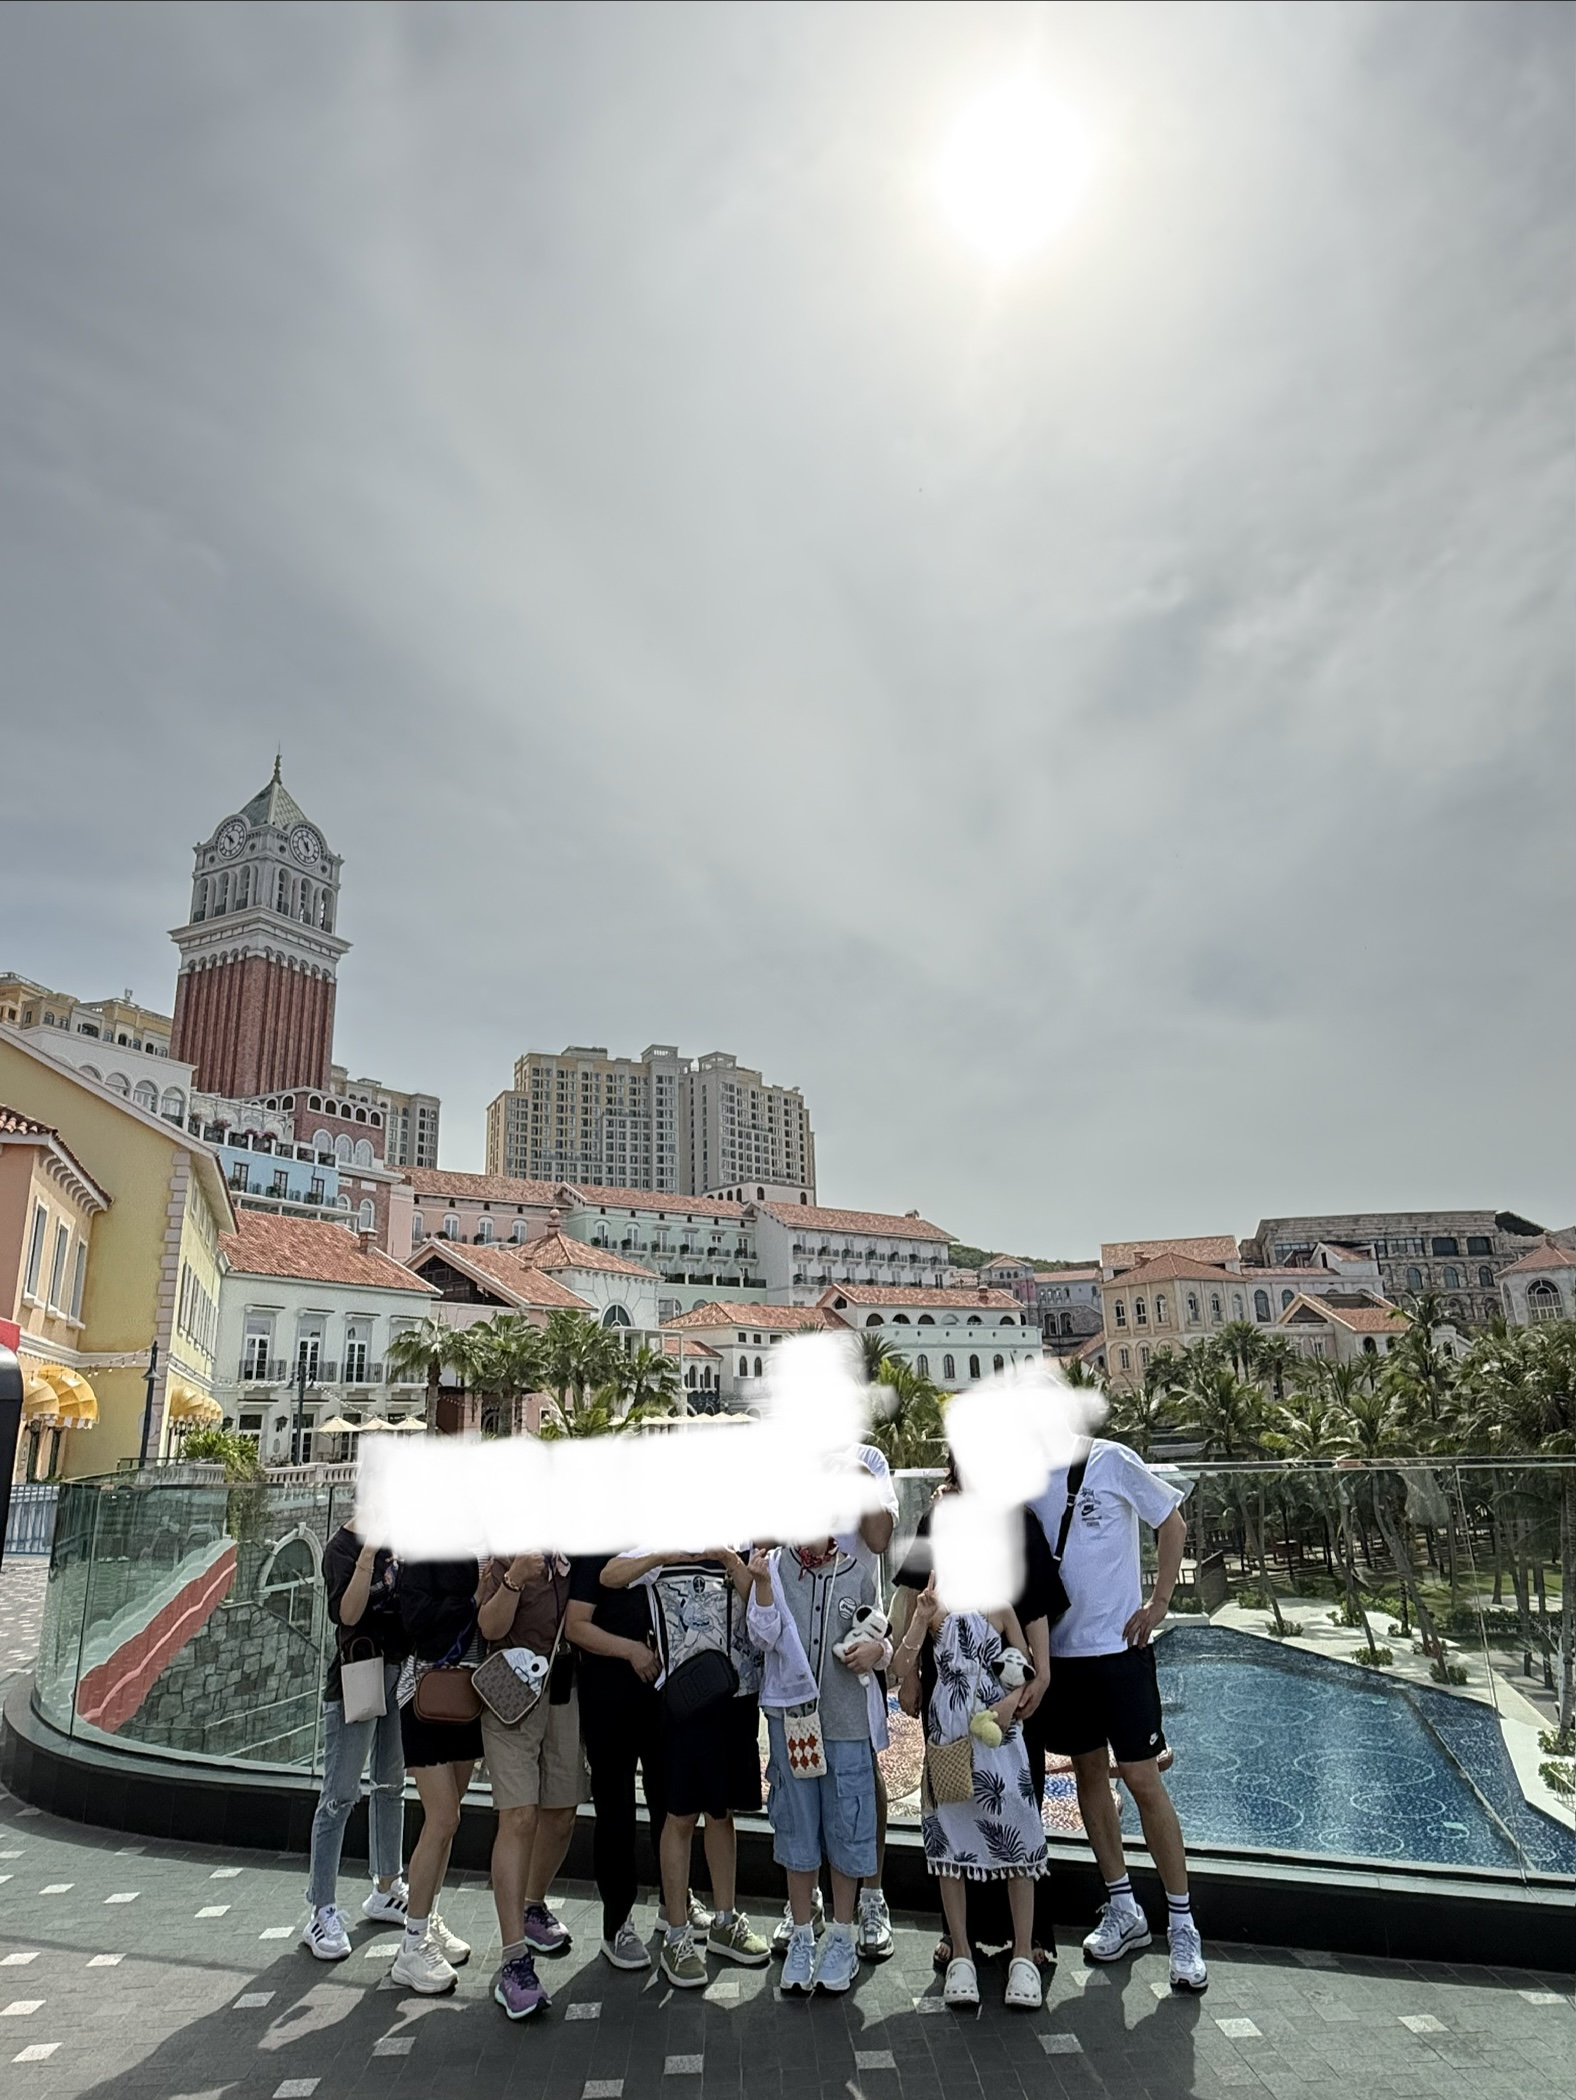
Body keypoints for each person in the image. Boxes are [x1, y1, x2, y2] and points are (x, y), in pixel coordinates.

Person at [1029, 1436, 1207, 1993]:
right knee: (1089, 1775)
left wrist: (1159, 1602)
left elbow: (1171, 1522)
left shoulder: (1111, 1459)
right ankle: (1124, 1907)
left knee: (1142, 1779)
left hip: (1120, 1651)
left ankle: (1183, 1924)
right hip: (1063, 1656)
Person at [893, 1460, 1057, 1973]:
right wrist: (910, 1676)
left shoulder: (1019, 1519)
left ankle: (1028, 1939)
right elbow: (913, 1595)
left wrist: (1041, 1671)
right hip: (948, 1694)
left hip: (1006, 1691)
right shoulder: (937, 1516)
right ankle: (958, 1937)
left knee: (1016, 1811)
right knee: (953, 1808)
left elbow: (1036, 1601)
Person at [601, 1547, 770, 1987]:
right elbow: (610, 1575)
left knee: (722, 1812)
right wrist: (666, 1553)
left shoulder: (739, 1539)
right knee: (679, 1815)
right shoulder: (662, 1542)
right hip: (686, 1698)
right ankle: (676, 1933)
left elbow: (760, 1606)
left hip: (737, 1694)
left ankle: (725, 1920)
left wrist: (730, 1560)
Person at [892, 1572, 1047, 2012]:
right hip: (950, 1737)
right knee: (950, 1837)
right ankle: (961, 1951)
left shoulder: (1000, 1607)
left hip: (998, 1738)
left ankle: (1022, 1953)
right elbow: (899, 1668)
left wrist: (1010, 1703)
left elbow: (1026, 1670)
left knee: (1018, 1831)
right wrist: (919, 1620)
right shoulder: (931, 1608)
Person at [746, 1538, 890, 1996]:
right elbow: (760, 1636)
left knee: (847, 1821)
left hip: (846, 1722)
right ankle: (803, 1935)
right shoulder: (773, 1566)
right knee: (797, 1822)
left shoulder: (856, 1573)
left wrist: (876, 1652)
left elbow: (880, 1636)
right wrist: (762, 1584)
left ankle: (842, 1937)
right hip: (791, 1720)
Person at [475, 1551, 583, 2020]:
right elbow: (490, 1626)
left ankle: (532, 1905)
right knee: (518, 1817)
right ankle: (513, 1958)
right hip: (512, 1688)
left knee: (561, 1814)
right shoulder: (508, 1551)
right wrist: (515, 1578)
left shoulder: (577, 1550)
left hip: (562, 1687)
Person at [299, 1524, 409, 1960]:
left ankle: (387, 1885)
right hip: (357, 1674)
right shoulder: (341, 1550)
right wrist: (369, 1554)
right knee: (340, 1795)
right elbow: (348, 1613)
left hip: (399, 1669)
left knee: (392, 1785)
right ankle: (320, 1908)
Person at [565, 1551, 667, 1971]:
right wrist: (630, 1651)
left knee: (669, 1802)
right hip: (608, 1694)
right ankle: (617, 1923)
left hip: (660, 1692)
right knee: (616, 1808)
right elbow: (576, 1624)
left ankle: (674, 1902)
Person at [393, 1556, 483, 1996]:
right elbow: (415, 1619)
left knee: (450, 1820)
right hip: (426, 1692)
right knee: (442, 1817)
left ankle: (427, 1921)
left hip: (468, 1692)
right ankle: (411, 1944)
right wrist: (472, 1601)